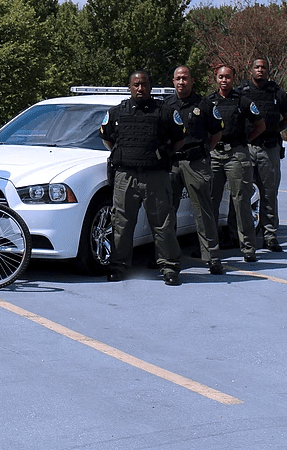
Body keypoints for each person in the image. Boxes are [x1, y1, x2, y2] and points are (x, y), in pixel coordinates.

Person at [100, 70, 184, 285]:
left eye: (144, 84)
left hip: (155, 176)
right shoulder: (117, 112)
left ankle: (169, 268)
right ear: (129, 87)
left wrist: (160, 156)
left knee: (163, 224)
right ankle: (118, 267)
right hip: (125, 175)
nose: (140, 88)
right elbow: (107, 139)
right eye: (136, 84)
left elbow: (179, 139)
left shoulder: (165, 112)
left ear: (150, 86)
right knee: (121, 224)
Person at [163, 65, 226, 275]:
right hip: (172, 164)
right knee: (167, 211)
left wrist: (204, 150)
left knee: (203, 211)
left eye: (185, 78)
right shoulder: (166, 105)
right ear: (173, 81)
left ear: (192, 81)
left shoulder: (204, 105)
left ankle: (212, 258)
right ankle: (167, 256)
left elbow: (216, 133)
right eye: (178, 79)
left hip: (196, 162)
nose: (181, 82)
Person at [207, 64, 266, 262]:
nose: (224, 80)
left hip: (236, 154)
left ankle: (248, 247)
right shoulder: (209, 102)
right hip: (214, 154)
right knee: (211, 202)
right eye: (221, 77)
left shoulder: (243, 101)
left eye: (228, 77)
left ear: (234, 78)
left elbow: (260, 124)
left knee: (241, 202)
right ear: (216, 78)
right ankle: (209, 248)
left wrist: (245, 141)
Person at [236, 57, 287, 252]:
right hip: (245, 147)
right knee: (240, 193)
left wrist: (273, 130)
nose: (260, 70)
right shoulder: (240, 92)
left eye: (263, 67)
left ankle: (269, 235)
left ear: (269, 70)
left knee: (269, 193)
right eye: (257, 67)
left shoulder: (278, 93)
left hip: (268, 148)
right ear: (250, 69)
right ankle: (234, 235)